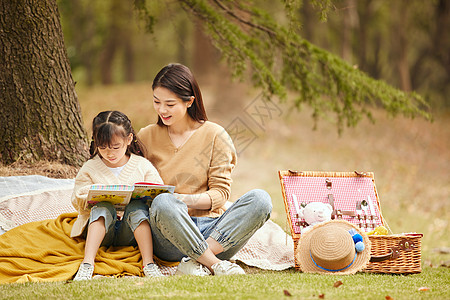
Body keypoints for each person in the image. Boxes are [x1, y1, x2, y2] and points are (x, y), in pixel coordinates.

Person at [138, 63, 272, 276]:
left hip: (215, 235)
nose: (162, 110)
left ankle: (196, 260)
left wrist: (183, 200)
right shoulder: (146, 137)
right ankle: (215, 264)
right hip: (168, 235)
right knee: (163, 202)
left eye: (170, 104)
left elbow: (220, 195)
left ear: (190, 101)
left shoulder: (215, 135)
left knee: (261, 199)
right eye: (157, 102)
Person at [70, 111, 164, 280]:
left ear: (128, 140)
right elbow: (77, 199)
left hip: (131, 231)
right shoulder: (90, 167)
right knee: (103, 207)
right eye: (103, 147)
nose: (109, 153)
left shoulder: (142, 165)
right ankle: (87, 264)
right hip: (101, 232)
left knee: (137, 208)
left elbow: (158, 193)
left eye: (115, 147)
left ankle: (149, 264)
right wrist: (93, 194)